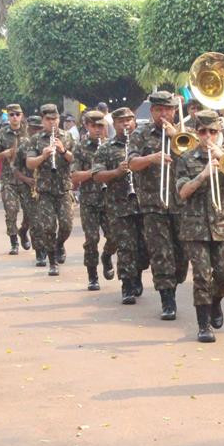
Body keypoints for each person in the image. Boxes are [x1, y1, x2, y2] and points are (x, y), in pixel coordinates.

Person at [127, 91, 190, 320]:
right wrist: (151, 158)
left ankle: (174, 280)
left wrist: (176, 138)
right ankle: (168, 299)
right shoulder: (141, 134)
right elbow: (131, 163)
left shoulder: (186, 133)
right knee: (161, 253)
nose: (163, 114)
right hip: (153, 203)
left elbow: (195, 159)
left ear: (174, 111)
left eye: (168, 109)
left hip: (182, 203)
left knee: (182, 256)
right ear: (152, 111)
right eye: (158, 110)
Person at [175, 110, 224, 342]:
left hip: (220, 224)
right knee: (201, 275)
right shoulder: (186, 159)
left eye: (212, 131)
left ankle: (216, 300)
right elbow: (182, 192)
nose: (207, 136)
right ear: (196, 133)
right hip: (195, 227)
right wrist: (203, 174)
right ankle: (203, 325)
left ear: (219, 133)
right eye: (203, 131)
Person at [94, 108, 149, 304]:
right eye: (121, 121)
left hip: (144, 204)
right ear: (114, 124)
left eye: (129, 120)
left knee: (144, 247)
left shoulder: (143, 145)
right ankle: (127, 285)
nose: (126, 124)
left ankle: (137, 276)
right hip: (119, 206)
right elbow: (97, 175)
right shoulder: (106, 148)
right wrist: (117, 171)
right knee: (126, 247)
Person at [25, 104, 76, 276]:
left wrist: (63, 151)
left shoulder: (68, 136)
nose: (52, 122)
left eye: (55, 119)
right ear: (43, 120)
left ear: (59, 119)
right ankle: (53, 262)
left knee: (67, 225)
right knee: (47, 227)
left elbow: (75, 159)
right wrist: (44, 156)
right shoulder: (35, 139)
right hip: (45, 190)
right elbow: (30, 163)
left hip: (64, 188)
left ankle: (59, 243)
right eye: (48, 119)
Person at [70, 110, 116, 290]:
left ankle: (106, 256)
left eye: (101, 126)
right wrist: (93, 173)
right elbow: (74, 176)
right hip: (90, 200)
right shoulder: (80, 148)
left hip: (110, 200)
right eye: (94, 126)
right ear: (87, 126)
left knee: (114, 237)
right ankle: (92, 275)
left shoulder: (111, 146)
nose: (98, 129)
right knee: (92, 239)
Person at [0, 104, 32, 255]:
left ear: (22, 115)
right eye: (11, 115)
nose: (15, 117)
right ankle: (14, 241)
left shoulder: (29, 133)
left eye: (17, 114)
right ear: (8, 117)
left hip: (26, 178)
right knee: (11, 210)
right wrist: (5, 153)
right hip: (9, 179)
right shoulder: (1, 134)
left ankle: (23, 231)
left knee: (30, 211)